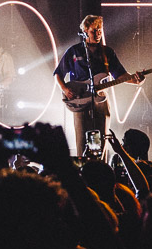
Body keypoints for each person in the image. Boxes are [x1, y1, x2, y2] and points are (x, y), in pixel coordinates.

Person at [53, 14, 140, 156]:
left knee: (103, 142)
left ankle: (102, 171)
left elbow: (121, 75)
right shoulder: (74, 51)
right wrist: (65, 89)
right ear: (85, 31)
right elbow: (58, 73)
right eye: (94, 30)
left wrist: (135, 79)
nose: (98, 33)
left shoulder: (108, 52)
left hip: (101, 100)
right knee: (82, 142)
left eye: (100, 30)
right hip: (80, 100)